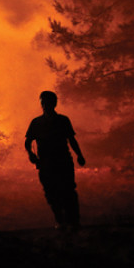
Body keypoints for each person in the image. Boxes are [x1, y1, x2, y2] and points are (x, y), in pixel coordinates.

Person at [25, 91, 86, 231]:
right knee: (51, 193)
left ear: (54, 103)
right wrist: (30, 154)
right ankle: (60, 220)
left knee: (68, 191)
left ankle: (74, 221)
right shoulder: (36, 122)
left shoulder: (63, 120)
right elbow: (28, 141)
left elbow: (71, 139)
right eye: (42, 103)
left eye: (47, 102)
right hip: (45, 163)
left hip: (63, 161)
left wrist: (79, 155)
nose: (44, 105)